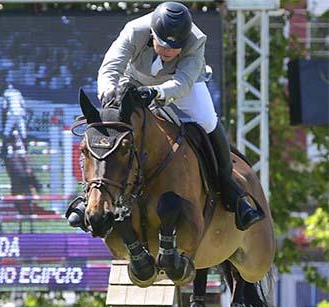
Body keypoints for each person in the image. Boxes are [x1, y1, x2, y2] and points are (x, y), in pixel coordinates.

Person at [66, 2, 263, 232]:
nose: (169, 51)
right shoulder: (134, 30)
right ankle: (88, 198)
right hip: (136, 79)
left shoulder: (196, 39)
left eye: (175, 47)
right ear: (152, 34)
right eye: (164, 44)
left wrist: (156, 93)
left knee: (208, 121)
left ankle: (231, 189)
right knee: (110, 127)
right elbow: (110, 68)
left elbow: (182, 83)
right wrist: (109, 92)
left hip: (181, 85)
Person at [1, 82, 28, 158]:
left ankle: (5, 150)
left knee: (6, 132)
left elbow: (4, 106)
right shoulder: (18, 92)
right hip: (19, 113)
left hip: (12, 114)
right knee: (23, 132)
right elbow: (23, 103)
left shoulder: (6, 93)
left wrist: (4, 113)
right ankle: (25, 150)